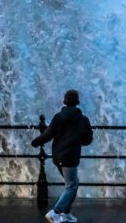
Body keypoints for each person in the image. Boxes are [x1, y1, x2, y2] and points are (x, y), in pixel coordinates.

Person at [31, 89, 93, 223]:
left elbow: (48, 134)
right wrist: (78, 140)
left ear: (65, 101)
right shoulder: (83, 120)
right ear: (77, 102)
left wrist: (36, 142)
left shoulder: (58, 117)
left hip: (58, 156)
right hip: (70, 157)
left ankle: (66, 213)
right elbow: (88, 140)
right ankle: (55, 212)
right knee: (72, 185)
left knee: (71, 184)